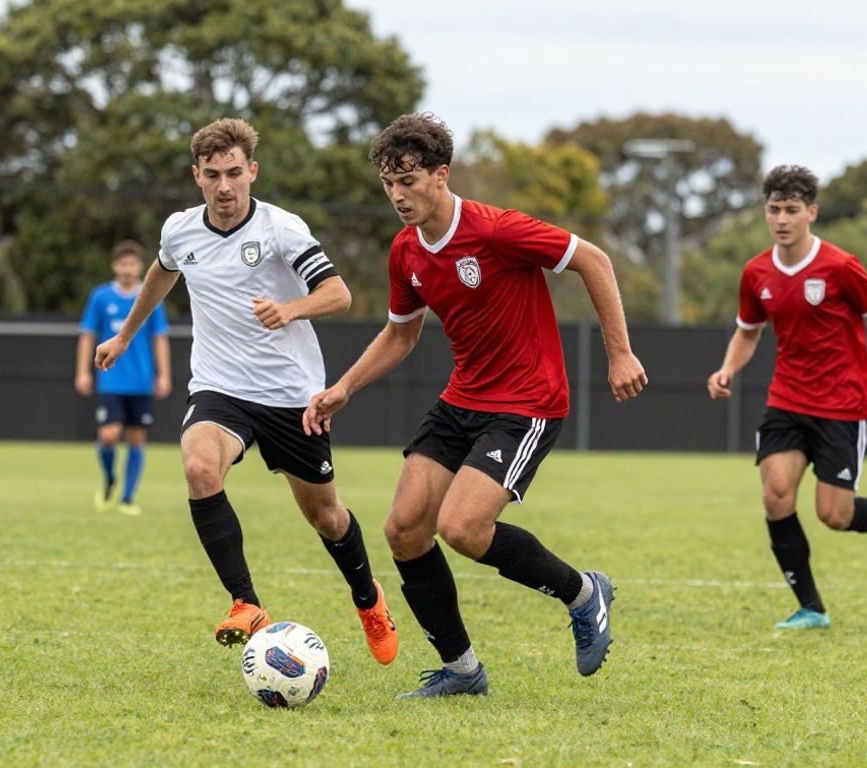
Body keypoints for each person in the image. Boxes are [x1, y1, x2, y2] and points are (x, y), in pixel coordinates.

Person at [304, 113, 648, 698]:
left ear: (441, 174)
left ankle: (584, 593)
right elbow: (401, 335)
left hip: (528, 401)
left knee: (461, 526)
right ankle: (462, 672)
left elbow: (594, 259)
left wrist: (620, 353)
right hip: (462, 399)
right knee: (405, 529)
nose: (397, 195)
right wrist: (344, 387)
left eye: (408, 180)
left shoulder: (495, 230)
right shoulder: (405, 251)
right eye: (389, 184)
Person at [94, 118, 399, 664]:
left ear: (252, 171)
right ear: (197, 177)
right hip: (220, 387)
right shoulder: (180, 231)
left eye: (235, 173)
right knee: (198, 468)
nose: (225, 186)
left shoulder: (282, 229)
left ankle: (369, 600)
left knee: (326, 517)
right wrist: (124, 335)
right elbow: (163, 274)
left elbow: (339, 293)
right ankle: (245, 604)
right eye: (212, 175)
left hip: (290, 394)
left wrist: (291, 309)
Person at [706, 164, 867, 631]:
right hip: (786, 399)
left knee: (834, 515)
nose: (782, 219)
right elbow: (748, 331)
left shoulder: (841, 267)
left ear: (812, 213)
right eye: (774, 209)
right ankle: (812, 608)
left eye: (792, 210)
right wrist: (728, 368)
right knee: (776, 495)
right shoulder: (756, 271)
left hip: (841, 405)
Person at [75, 239, 172, 516]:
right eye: (123, 263)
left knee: (136, 438)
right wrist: (83, 371)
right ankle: (109, 479)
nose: (128, 269)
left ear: (140, 266)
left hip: (141, 380)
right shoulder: (101, 297)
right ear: (114, 266)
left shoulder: (151, 295)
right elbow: (88, 335)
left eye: (132, 263)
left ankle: (128, 498)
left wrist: (163, 374)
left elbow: (159, 338)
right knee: (108, 435)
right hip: (111, 378)